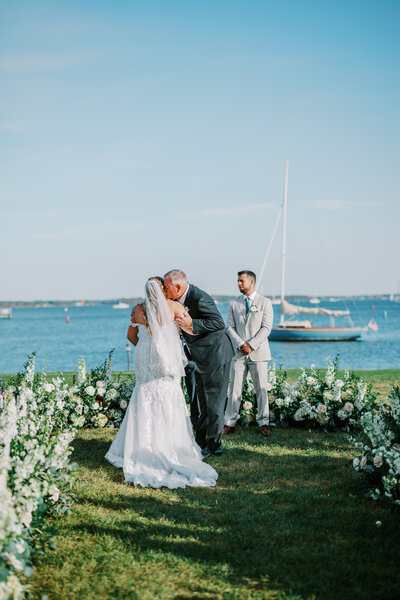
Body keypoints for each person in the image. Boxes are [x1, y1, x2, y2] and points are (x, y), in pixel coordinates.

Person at [105, 277, 218, 488]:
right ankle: (171, 444)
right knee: (167, 395)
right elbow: (191, 330)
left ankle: (141, 446)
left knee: (143, 394)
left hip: (144, 356)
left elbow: (130, 335)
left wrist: (144, 346)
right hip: (164, 360)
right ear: (163, 290)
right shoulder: (174, 307)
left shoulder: (138, 310)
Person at [163, 269, 234, 458]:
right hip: (199, 356)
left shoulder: (199, 297)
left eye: (166, 287)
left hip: (216, 355)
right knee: (203, 401)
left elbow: (218, 323)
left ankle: (214, 445)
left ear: (178, 287)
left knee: (214, 402)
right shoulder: (178, 300)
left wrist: (192, 324)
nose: (164, 290)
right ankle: (200, 441)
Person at [222, 270, 274, 437]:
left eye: (241, 281)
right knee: (234, 389)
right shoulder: (234, 304)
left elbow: (266, 328)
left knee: (261, 389)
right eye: (238, 281)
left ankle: (264, 422)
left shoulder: (265, 302)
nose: (238, 283)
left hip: (258, 352)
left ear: (251, 282)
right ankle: (230, 422)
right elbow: (229, 327)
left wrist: (251, 345)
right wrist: (241, 344)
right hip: (238, 353)